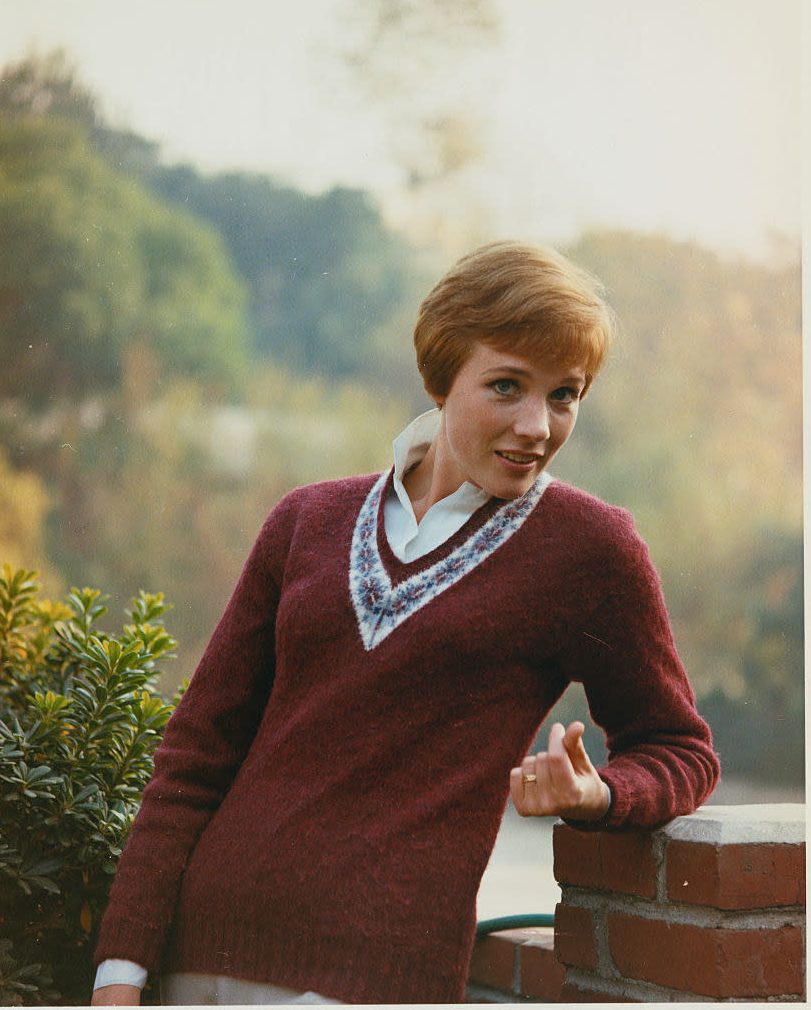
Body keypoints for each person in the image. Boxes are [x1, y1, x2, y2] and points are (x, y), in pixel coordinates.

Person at [92, 241, 719, 1006]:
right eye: (507, 385)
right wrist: (121, 971)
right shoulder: (305, 520)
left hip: (378, 977)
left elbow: (679, 749)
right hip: (201, 957)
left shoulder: (591, 550)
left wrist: (599, 796)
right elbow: (193, 760)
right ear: (441, 376)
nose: (536, 425)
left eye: (564, 395)